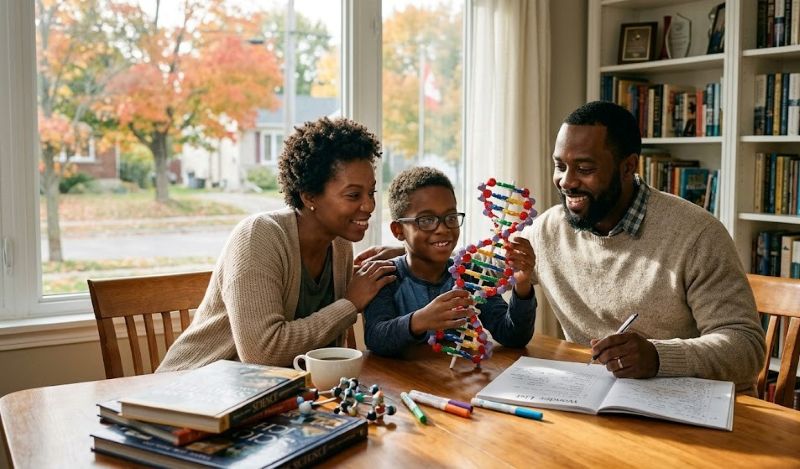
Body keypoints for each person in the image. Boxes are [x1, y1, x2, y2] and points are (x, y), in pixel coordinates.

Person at [357, 101, 766, 393]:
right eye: (559, 165)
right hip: (595, 397)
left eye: (584, 168)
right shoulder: (549, 230)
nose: (567, 181)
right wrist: (404, 254)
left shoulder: (697, 234)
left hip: (689, 403)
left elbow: (746, 349)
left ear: (628, 167)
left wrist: (658, 357)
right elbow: (480, 261)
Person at [158, 117, 396, 372]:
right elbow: (262, 353)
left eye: (371, 192)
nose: (369, 205)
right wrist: (349, 304)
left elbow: (323, 351)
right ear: (309, 196)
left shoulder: (339, 244)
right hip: (192, 385)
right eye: (353, 195)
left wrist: (406, 253)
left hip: (270, 390)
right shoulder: (258, 236)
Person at [363, 167, 536, 357]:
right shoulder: (386, 277)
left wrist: (522, 285)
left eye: (451, 217)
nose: (443, 229)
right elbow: (375, 338)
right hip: (399, 375)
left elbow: (513, 336)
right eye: (426, 220)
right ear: (398, 230)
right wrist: (420, 320)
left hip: (456, 374)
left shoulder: (470, 274)